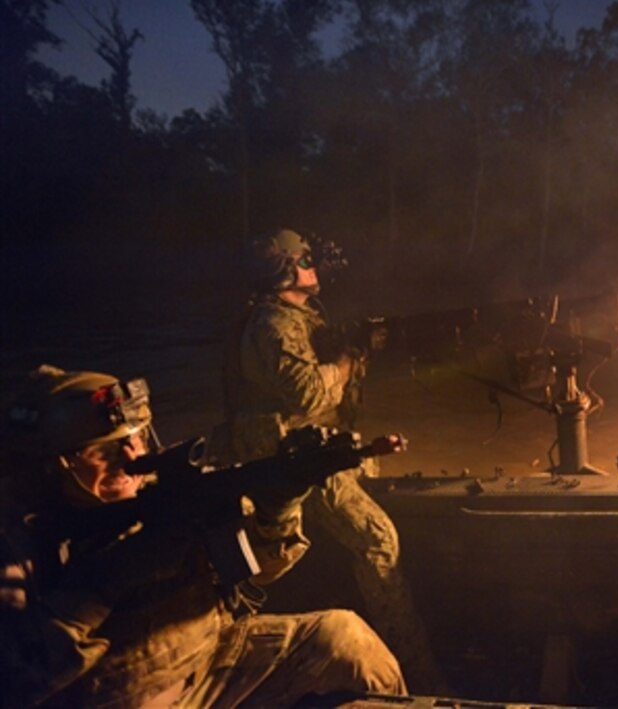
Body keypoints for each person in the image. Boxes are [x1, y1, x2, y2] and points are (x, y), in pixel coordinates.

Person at [0, 365, 406, 707]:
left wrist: (278, 505)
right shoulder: (18, 541)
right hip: (113, 695)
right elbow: (13, 681)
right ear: (57, 464)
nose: (131, 458)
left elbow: (259, 571)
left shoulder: (164, 492)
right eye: (104, 450)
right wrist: (105, 581)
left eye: (135, 438)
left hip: (209, 661)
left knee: (343, 637)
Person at [217, 228, 444, 693]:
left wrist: (359, 349)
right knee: (378, 539)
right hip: (292, 456)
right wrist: (342, 361)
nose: (312, 266)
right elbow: (308, 391)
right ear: (282, 270)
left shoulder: (296, 316)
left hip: (312, 446)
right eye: (303, 260)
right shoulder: (272, 324)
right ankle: (416, 671)